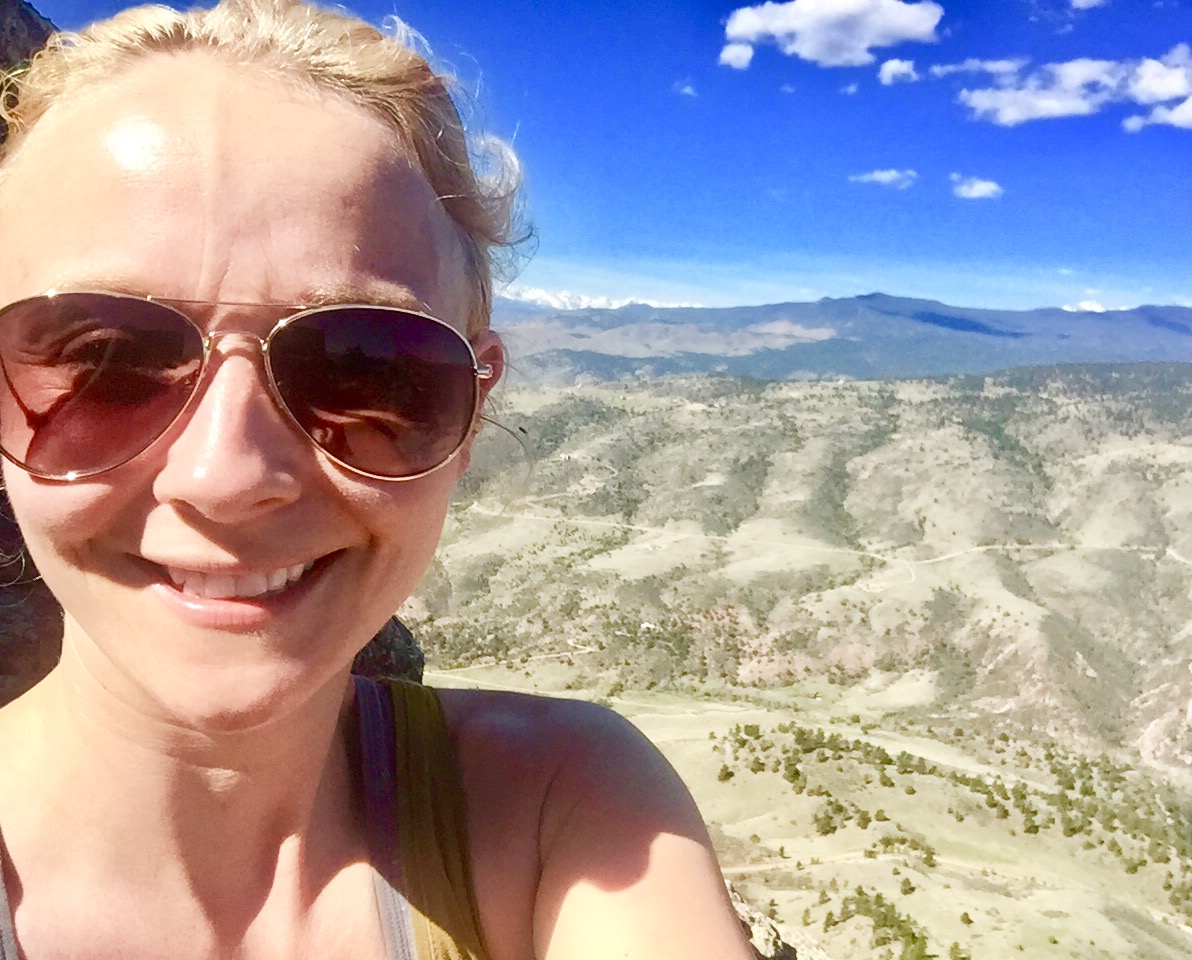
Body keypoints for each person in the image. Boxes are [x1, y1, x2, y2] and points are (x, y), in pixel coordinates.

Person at [0, 1, 757, 957]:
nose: (228, 475)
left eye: (363, 366)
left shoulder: (564, 810)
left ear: (475, 408)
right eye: (104, 359)